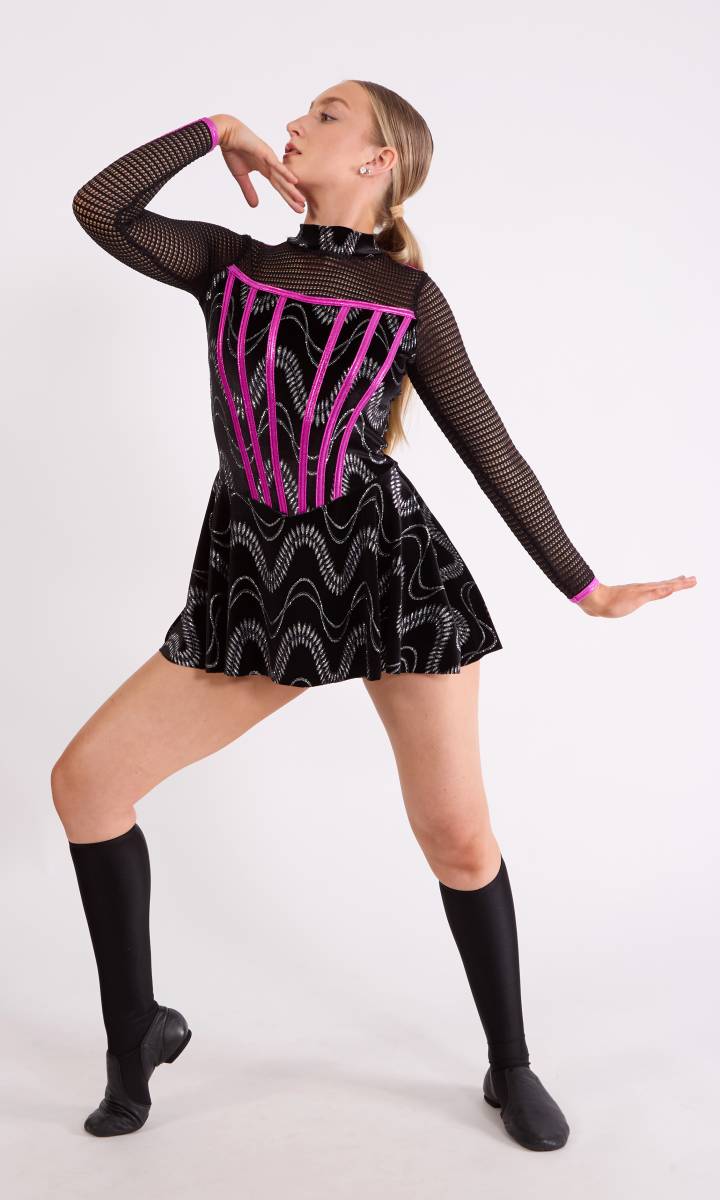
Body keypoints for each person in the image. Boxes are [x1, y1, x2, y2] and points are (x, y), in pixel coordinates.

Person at [55, 79, 696, 1149]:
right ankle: (137, 1037)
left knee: (458, 837)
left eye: (326, 114)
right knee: (86, 786)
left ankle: (509, 1063)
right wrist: (213, 130)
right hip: (258, 588)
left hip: (397, 580)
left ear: (378, 160)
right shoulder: (228, 264)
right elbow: (100, 208)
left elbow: (491, 449)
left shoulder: (409, 300)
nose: (293, 124)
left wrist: (583, 586)